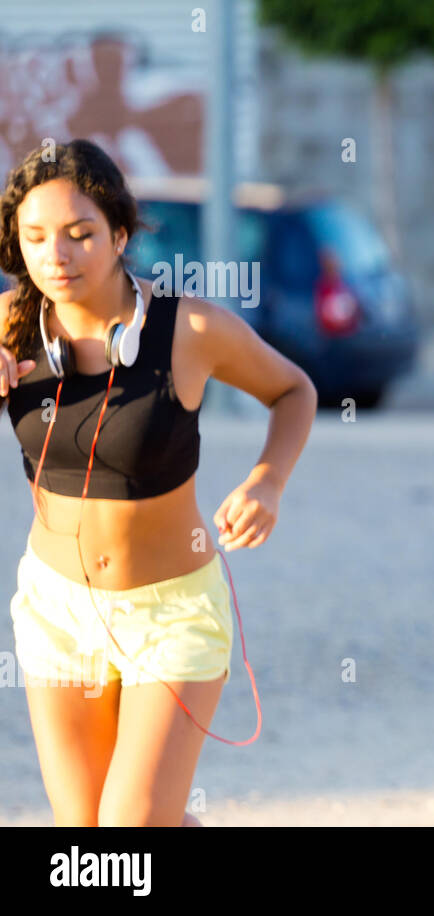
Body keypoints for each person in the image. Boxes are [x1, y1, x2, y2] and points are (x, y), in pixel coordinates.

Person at [0, 139, 316, 826]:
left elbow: (293, 390)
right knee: (90, 840)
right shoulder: (10, 332)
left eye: (81, 234)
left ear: (119, 233)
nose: (57, 255)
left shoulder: (192, 329)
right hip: (57, 613)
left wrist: (269, 480)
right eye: (36, 238)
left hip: (171, 614)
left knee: (133, 826)